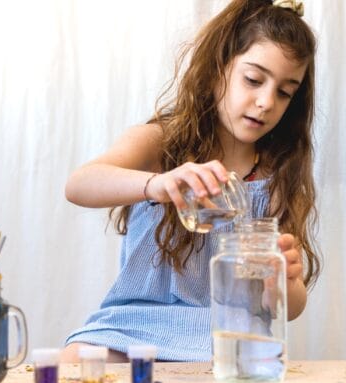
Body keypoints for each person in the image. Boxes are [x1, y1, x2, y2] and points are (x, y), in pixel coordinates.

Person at [62, 0, 320, 363]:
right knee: (74, 362)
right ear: (218, 68)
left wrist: (285, 282)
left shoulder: (277, 174)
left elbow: (289, 309)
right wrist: (159, 184)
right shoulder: (160, 142)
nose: (266, 102)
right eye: (253, 79)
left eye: (284, 91)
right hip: (130, 327)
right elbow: (79, 185)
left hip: (229, 335)